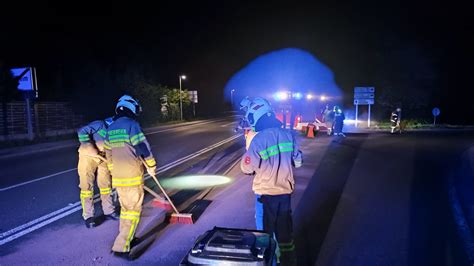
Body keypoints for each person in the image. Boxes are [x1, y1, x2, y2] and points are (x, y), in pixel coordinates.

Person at [240, 97, 303, 265]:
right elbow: (298, 162)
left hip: (265, 196)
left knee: (264, 237)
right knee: (285, 234)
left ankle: (270, 263)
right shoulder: (288, 135)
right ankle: (289, 261)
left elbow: (246, 169)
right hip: (285, 196)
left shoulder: (258, 140)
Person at [104, 95, 157, 257]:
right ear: (131, 108)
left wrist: (114, 171)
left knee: (126, 210)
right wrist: (151, 166)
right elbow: (142, 147)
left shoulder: (111, 128)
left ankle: (128, 238)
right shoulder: (132, 125)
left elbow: (108, 154)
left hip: (118, 177)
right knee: (132, 211)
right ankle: (121, 246)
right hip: (132, 176)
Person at [77, 117, 118, 228]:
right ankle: (89, 217)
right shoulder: (99, 125)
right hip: (88, 156)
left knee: (106, 185)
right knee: (86, 187)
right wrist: (88, 145)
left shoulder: (115, 132)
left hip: (103, 157)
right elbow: (82, 131)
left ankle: (109, 211)